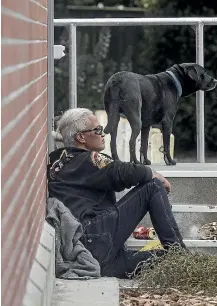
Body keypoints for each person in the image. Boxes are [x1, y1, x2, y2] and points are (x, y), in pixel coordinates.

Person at [47, 108, 186, 278]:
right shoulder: (87, 159)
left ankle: (181, 264)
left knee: (163, 260)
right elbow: (121, 171)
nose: (103, 133)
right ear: (81, 137)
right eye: (97, 130)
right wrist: (154, 175)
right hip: (96, 235)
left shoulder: (59, 162)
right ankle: (182, 257)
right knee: (153, 186)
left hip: (96, 257)